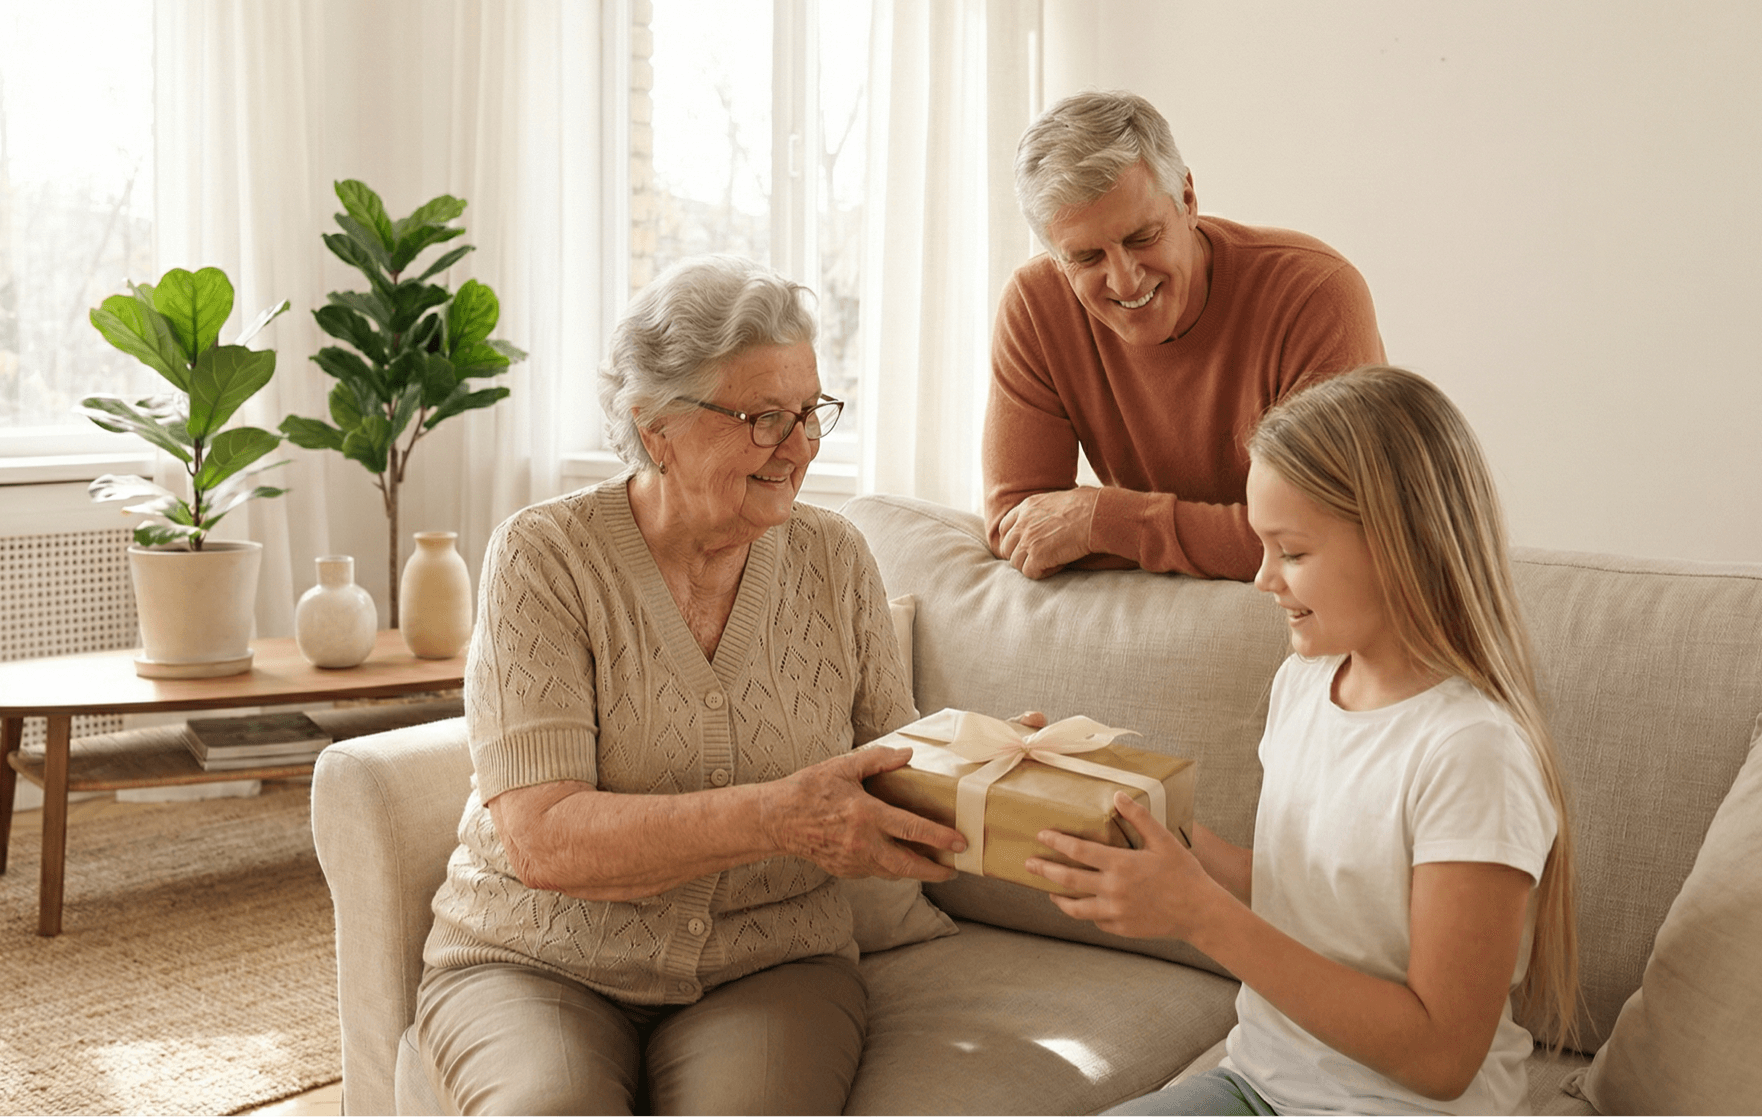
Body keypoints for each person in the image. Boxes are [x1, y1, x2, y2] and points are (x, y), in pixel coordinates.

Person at [414, 254, 966, 1116]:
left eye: (811, 410)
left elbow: (898, 769)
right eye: (763, 417)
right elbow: (544, 839)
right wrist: (779, 815)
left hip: (773, 960)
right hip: (534, 958)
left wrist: (1003, 768)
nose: (801, 447)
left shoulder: (837, 558)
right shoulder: (544, 556)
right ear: (655, 425)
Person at [1026, 367, 1580, 1116]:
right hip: (1259, 1082)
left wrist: (1199, 915)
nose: (1262, 578)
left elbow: (1442, 1054)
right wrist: (1119, 805)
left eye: (1290, 551)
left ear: (1399, 543)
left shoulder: (1473, 752)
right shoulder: (1305, 682)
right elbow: (1310, 888)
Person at [986, 90, 1385, 581]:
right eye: (1087, 258)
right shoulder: (1035, 305)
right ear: (1054, 254)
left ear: (1188, 201)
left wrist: (1104, 522)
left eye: (1142, 237)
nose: (1125, 279)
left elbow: (1333, 533)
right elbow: (1018, 525)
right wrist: (1222, 538)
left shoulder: (1315, 295)